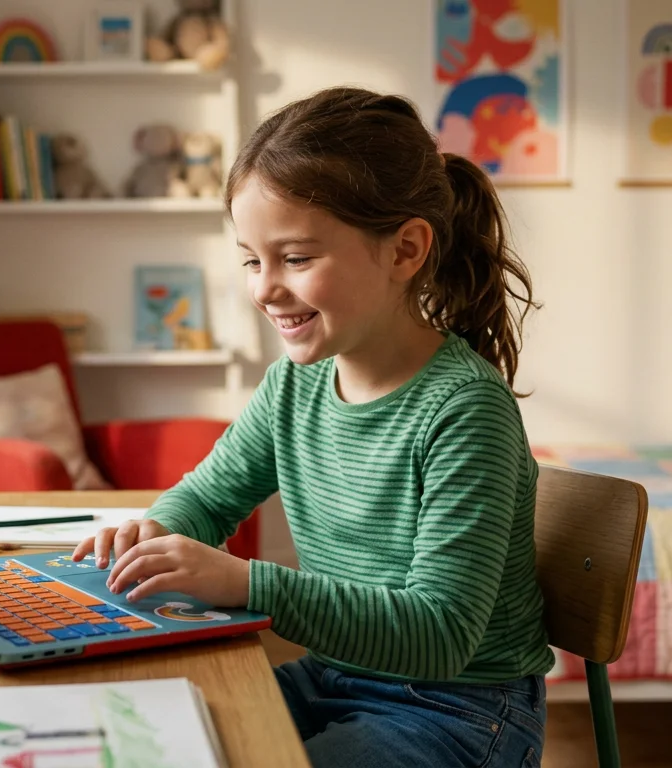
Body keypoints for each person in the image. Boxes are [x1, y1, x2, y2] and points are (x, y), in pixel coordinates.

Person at [72, 86, 553, 768]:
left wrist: (246, 584)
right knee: (154, 740)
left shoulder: (464, 411)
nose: (265, 287)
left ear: (405, 250)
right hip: (333, 675)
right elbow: (207, 499)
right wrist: (156, 531)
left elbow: (441, 634)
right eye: (251, 259)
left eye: (296, 259)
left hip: (456, 708)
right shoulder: (294, 387)